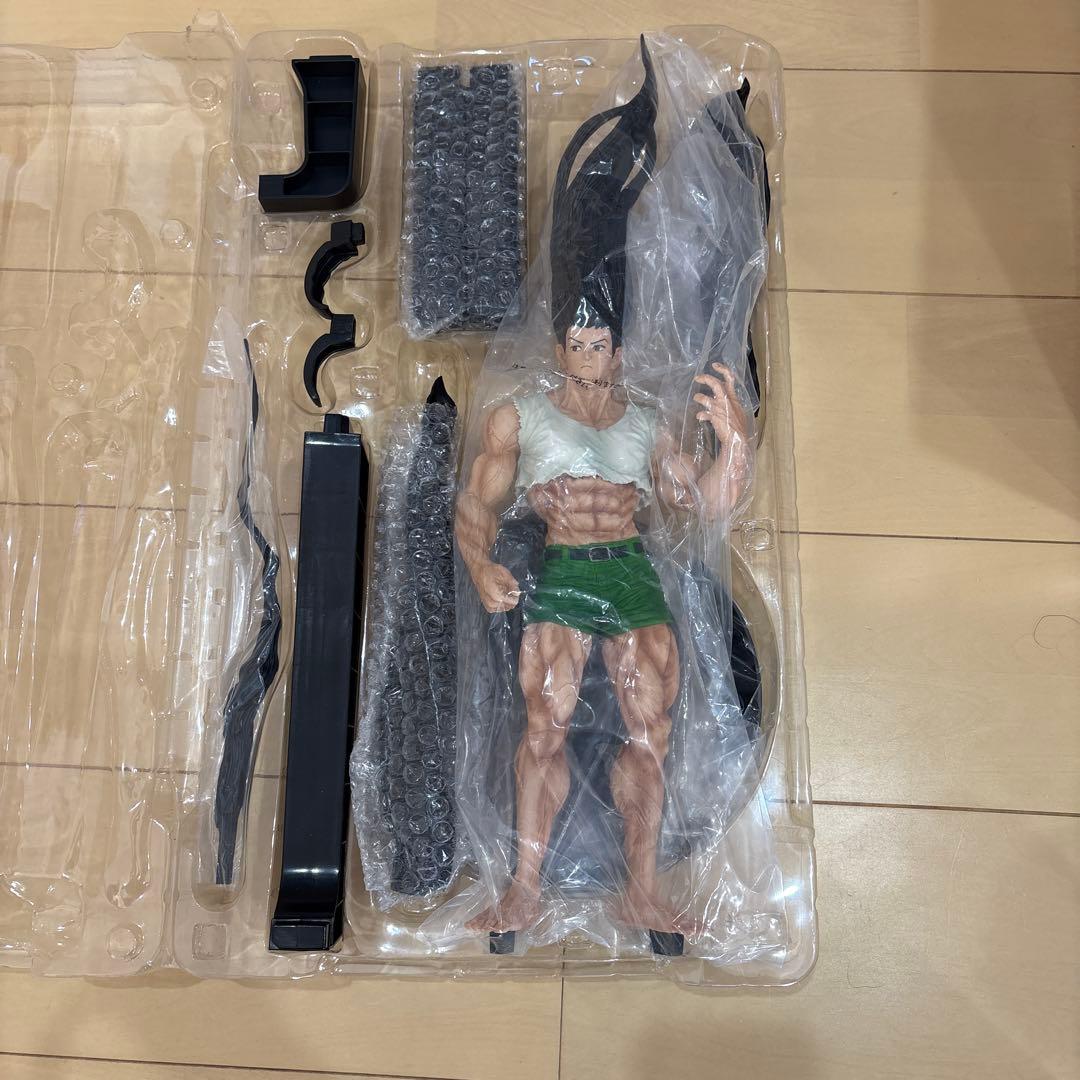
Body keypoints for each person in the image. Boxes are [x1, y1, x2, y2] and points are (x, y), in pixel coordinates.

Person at [454, 39, 754, 936]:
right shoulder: (519, 417)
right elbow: (476, 503)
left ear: (618, 352)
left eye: (601, 345)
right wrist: (479, 565)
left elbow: (699, 508)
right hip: (561, 574)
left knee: (650, 730)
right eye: (576, 344)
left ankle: (643, 890)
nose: (588, 355)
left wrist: (733, 443)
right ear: (560, 348)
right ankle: (523, 888)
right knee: (543, 726)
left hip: (628, 572)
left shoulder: (646, 423)